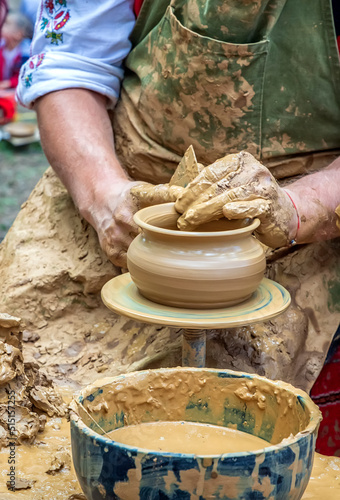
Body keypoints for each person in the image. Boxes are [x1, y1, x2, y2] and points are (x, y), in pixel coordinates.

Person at [12, 0, 340, 454]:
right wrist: (102, 195)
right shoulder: (105, 195)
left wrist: (298, 208)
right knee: (23, 394)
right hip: (116, 181)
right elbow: (70, 62)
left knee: (257, 438)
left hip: (307, 207)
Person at [0, 12, 32, 90]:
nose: (1, 26)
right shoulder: (2, 46)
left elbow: (24, 75)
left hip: (16, 90)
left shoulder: (25, 53)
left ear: (18, 34)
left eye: (6, 24)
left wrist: (8, 83)